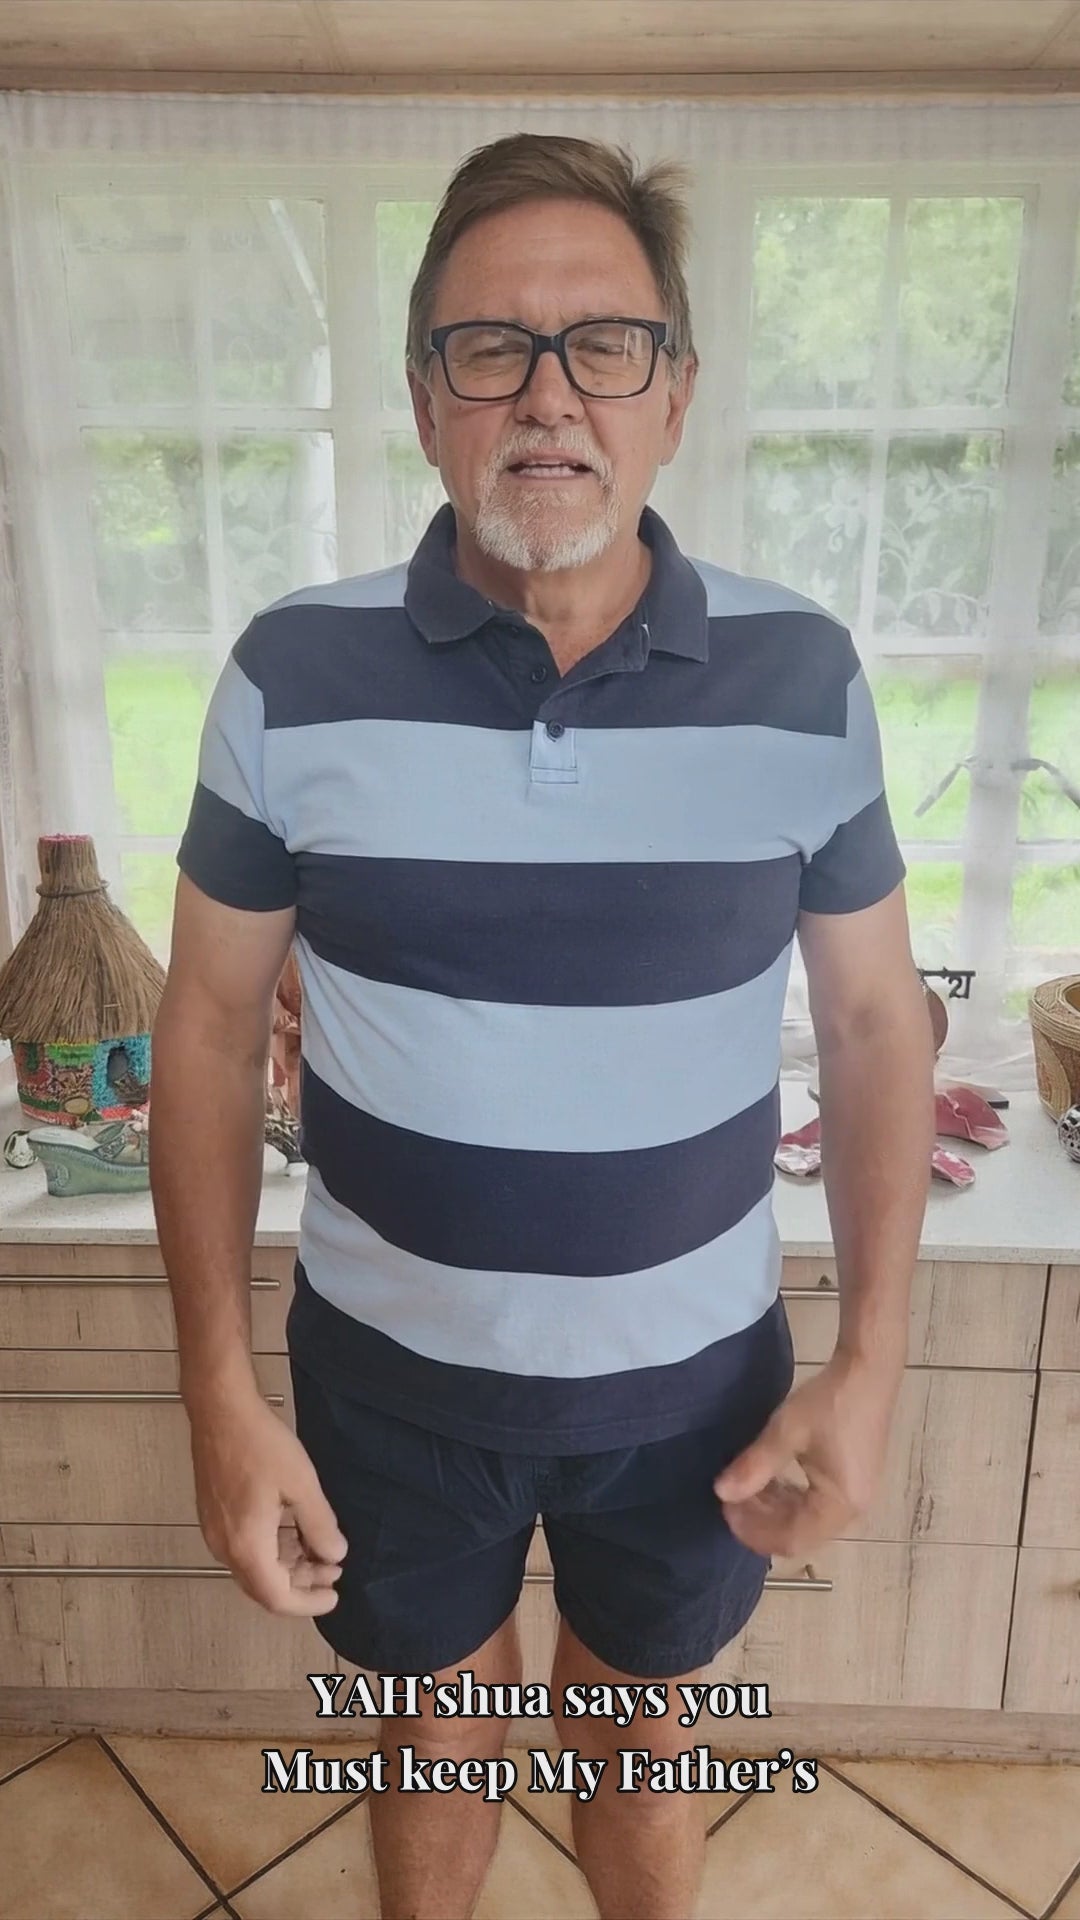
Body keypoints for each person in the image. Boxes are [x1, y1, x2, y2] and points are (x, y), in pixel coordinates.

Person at [150, 132, 935, 1920]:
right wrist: (215, 1391)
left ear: (677, 396)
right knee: (436, 1741)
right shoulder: (290, 674)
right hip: (388, 1383)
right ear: (426, 398)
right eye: (491, 345)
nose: (549, 392)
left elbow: (878, 1026)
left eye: (607, 344)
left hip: (693, 1388)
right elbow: (204, 1028)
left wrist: (874, 1362)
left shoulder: (805, 677)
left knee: (638, 1742)